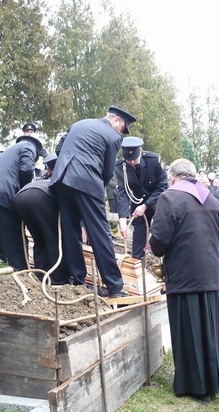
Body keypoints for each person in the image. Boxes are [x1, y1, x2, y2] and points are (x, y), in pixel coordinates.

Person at [149, 158, 219, 401]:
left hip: (184, 274)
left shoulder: (170, 197)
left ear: (174, 177)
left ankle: (195, 386)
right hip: (209, 272)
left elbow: (160, 240)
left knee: (189, 331)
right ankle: (215, 382)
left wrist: (154, 244)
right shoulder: (211, 198)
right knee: (210, 329)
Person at [49, 105, 137, 298]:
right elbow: (107, 171)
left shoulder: (79, 124)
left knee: (70, 231)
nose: (121, 132)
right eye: (122, 128)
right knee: (100, 232)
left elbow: (59, 149)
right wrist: (97, 190)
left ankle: (78, 281)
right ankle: (114, 286)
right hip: (87, 181)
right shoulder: (113, 137)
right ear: (116, 121)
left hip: (62, 179)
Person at [0, 134, 43, 270]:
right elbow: (27, 169)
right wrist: (23, 193)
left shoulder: (6, 156)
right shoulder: (28, 146)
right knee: (15, 244)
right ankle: (23, 277)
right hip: (3, 197)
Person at [114, 137, 168, 259]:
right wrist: (122, 221)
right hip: (137, 203)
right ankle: (137, 261)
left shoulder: (154, 160)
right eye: (129, 160)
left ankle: (163, 260)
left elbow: (163, 186)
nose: (132, 162)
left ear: (141, 150)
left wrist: (145, 205)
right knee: (139, 234)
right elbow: (122, 192)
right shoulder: (119, 167)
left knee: (161, 232)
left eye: (134, 159)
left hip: (158, 202)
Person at [15, 176, 69, 285]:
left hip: (19, 198)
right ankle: (58, 279)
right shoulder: (63, 186)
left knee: (39, 240)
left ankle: (41, 275)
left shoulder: (48, 182)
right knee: (53, 240)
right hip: (39, 198)